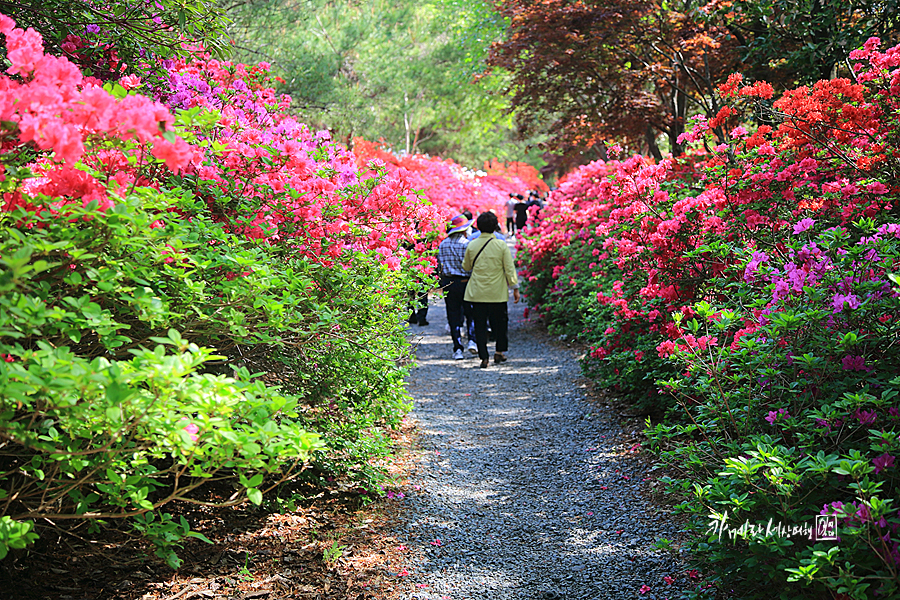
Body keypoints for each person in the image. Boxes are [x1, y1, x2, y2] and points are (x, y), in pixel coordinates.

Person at [463, 211, 520, 368]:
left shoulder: (472, 244)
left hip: (476, 292)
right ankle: (499, 352)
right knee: (500, 324)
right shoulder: (500, 245)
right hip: (497, 293)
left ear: (479, 227)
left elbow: (466, 267)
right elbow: (509, 268)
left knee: (479, 324)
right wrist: (515, 287)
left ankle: (484, 357)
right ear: (495, 226)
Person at [437, 214, 477, 360]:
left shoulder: (443, 244)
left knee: (453, 316)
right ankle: (472, 341)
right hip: (465, 283)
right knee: (470, 313)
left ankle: (457, 348)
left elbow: (439, 266)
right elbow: (472, 266)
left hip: (448, 283)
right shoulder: (467, 244)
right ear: (464, 230)